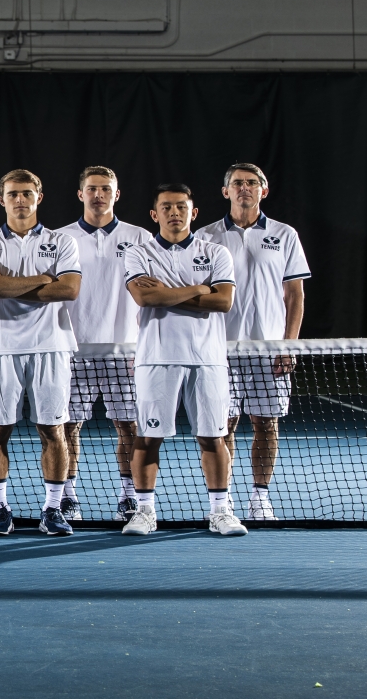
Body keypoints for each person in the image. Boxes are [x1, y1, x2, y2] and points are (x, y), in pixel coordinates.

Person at [121, 184, 246, 537]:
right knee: (147, 437)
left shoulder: (217, 253)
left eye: (181, 207)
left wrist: (166, 294)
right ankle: (144, 511)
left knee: (214, 437)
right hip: (156, 358)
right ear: (154, 214)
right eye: (166, 207)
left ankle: (221, 512)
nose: (174, 212)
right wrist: (198, 288)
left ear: (193, 213)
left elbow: (223, 302)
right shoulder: (138, 253)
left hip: (207, 359)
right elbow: (145, 299)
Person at [0, 170, 81, 536]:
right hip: (1, 348)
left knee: (53, 430)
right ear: (2, 199)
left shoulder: (62, 242)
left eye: (27, 193)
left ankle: (52, 509)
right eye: (13, 194)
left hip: (52, 347)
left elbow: (68, 291)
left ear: (39, 197)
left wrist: (9, 285)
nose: (20, 200)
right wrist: (44, 279)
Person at [196, 163, 310, 520]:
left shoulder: (284, 234)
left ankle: (260, 498)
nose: (244, 188)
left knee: (266, 424)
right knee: (221, 426)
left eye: (251, 183)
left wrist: (289, 345)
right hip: (220, 350)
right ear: (225, 191)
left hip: (269, 351)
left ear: (264, 190)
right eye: (237, 183)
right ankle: (223, 499)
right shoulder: (204, 236)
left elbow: (295, 296)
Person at [56, 167, 150, 522]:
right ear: (80, 194)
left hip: (124, 354)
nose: (99, 194)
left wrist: (142, 346)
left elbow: (150, 293)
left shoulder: (140, 237)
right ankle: (67, 498)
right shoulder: (59, 238)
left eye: (105, 189)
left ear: (117, 194)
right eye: (92, 188)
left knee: (129, 427)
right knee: (67, 427)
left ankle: (129, 499)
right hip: (73, 351)